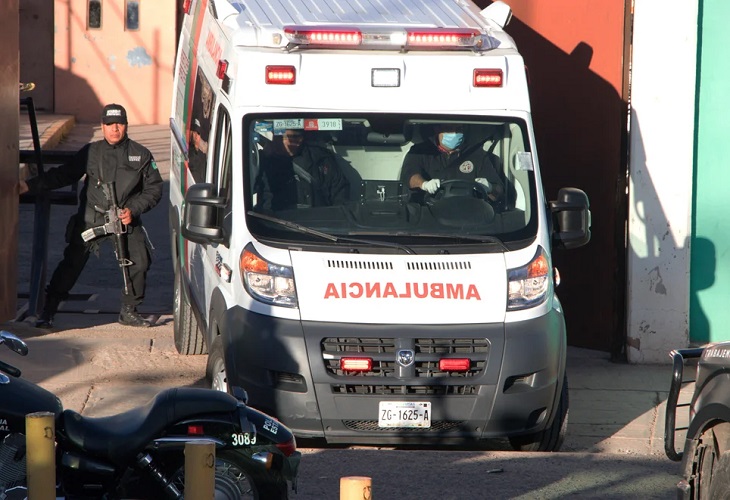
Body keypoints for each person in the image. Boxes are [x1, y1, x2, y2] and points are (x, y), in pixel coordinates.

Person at [19, 103, 163, 329]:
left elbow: (154, 189)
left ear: (126, 125)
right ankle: (48, 310)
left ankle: (129, 310)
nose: (114, 129)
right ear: (102, 126)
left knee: (139, 261)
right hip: (91, 219)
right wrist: (29, 186)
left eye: (119, 124)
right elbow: (64, 175)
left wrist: (133, 210)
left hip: (125, 220)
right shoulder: (91, 152)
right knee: (71, 264)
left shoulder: (141, 154)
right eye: (109, 124)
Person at [401, 123, 504, 204]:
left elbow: (499, 192)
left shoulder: (477, 155)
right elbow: (408, 175)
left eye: (458, 129)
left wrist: (489, 187)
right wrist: (424, 184)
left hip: (469, 216)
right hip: (429, 214)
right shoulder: (420, 151)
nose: (454, 133)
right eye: (449, 129)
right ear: (437, 129)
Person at [254, 128, 350, 211]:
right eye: (278, 137)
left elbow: (340, 197)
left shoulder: (321, 160)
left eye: (296, 137)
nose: (279, 142)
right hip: (276, 226)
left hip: (318, 225)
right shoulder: (260, 162)